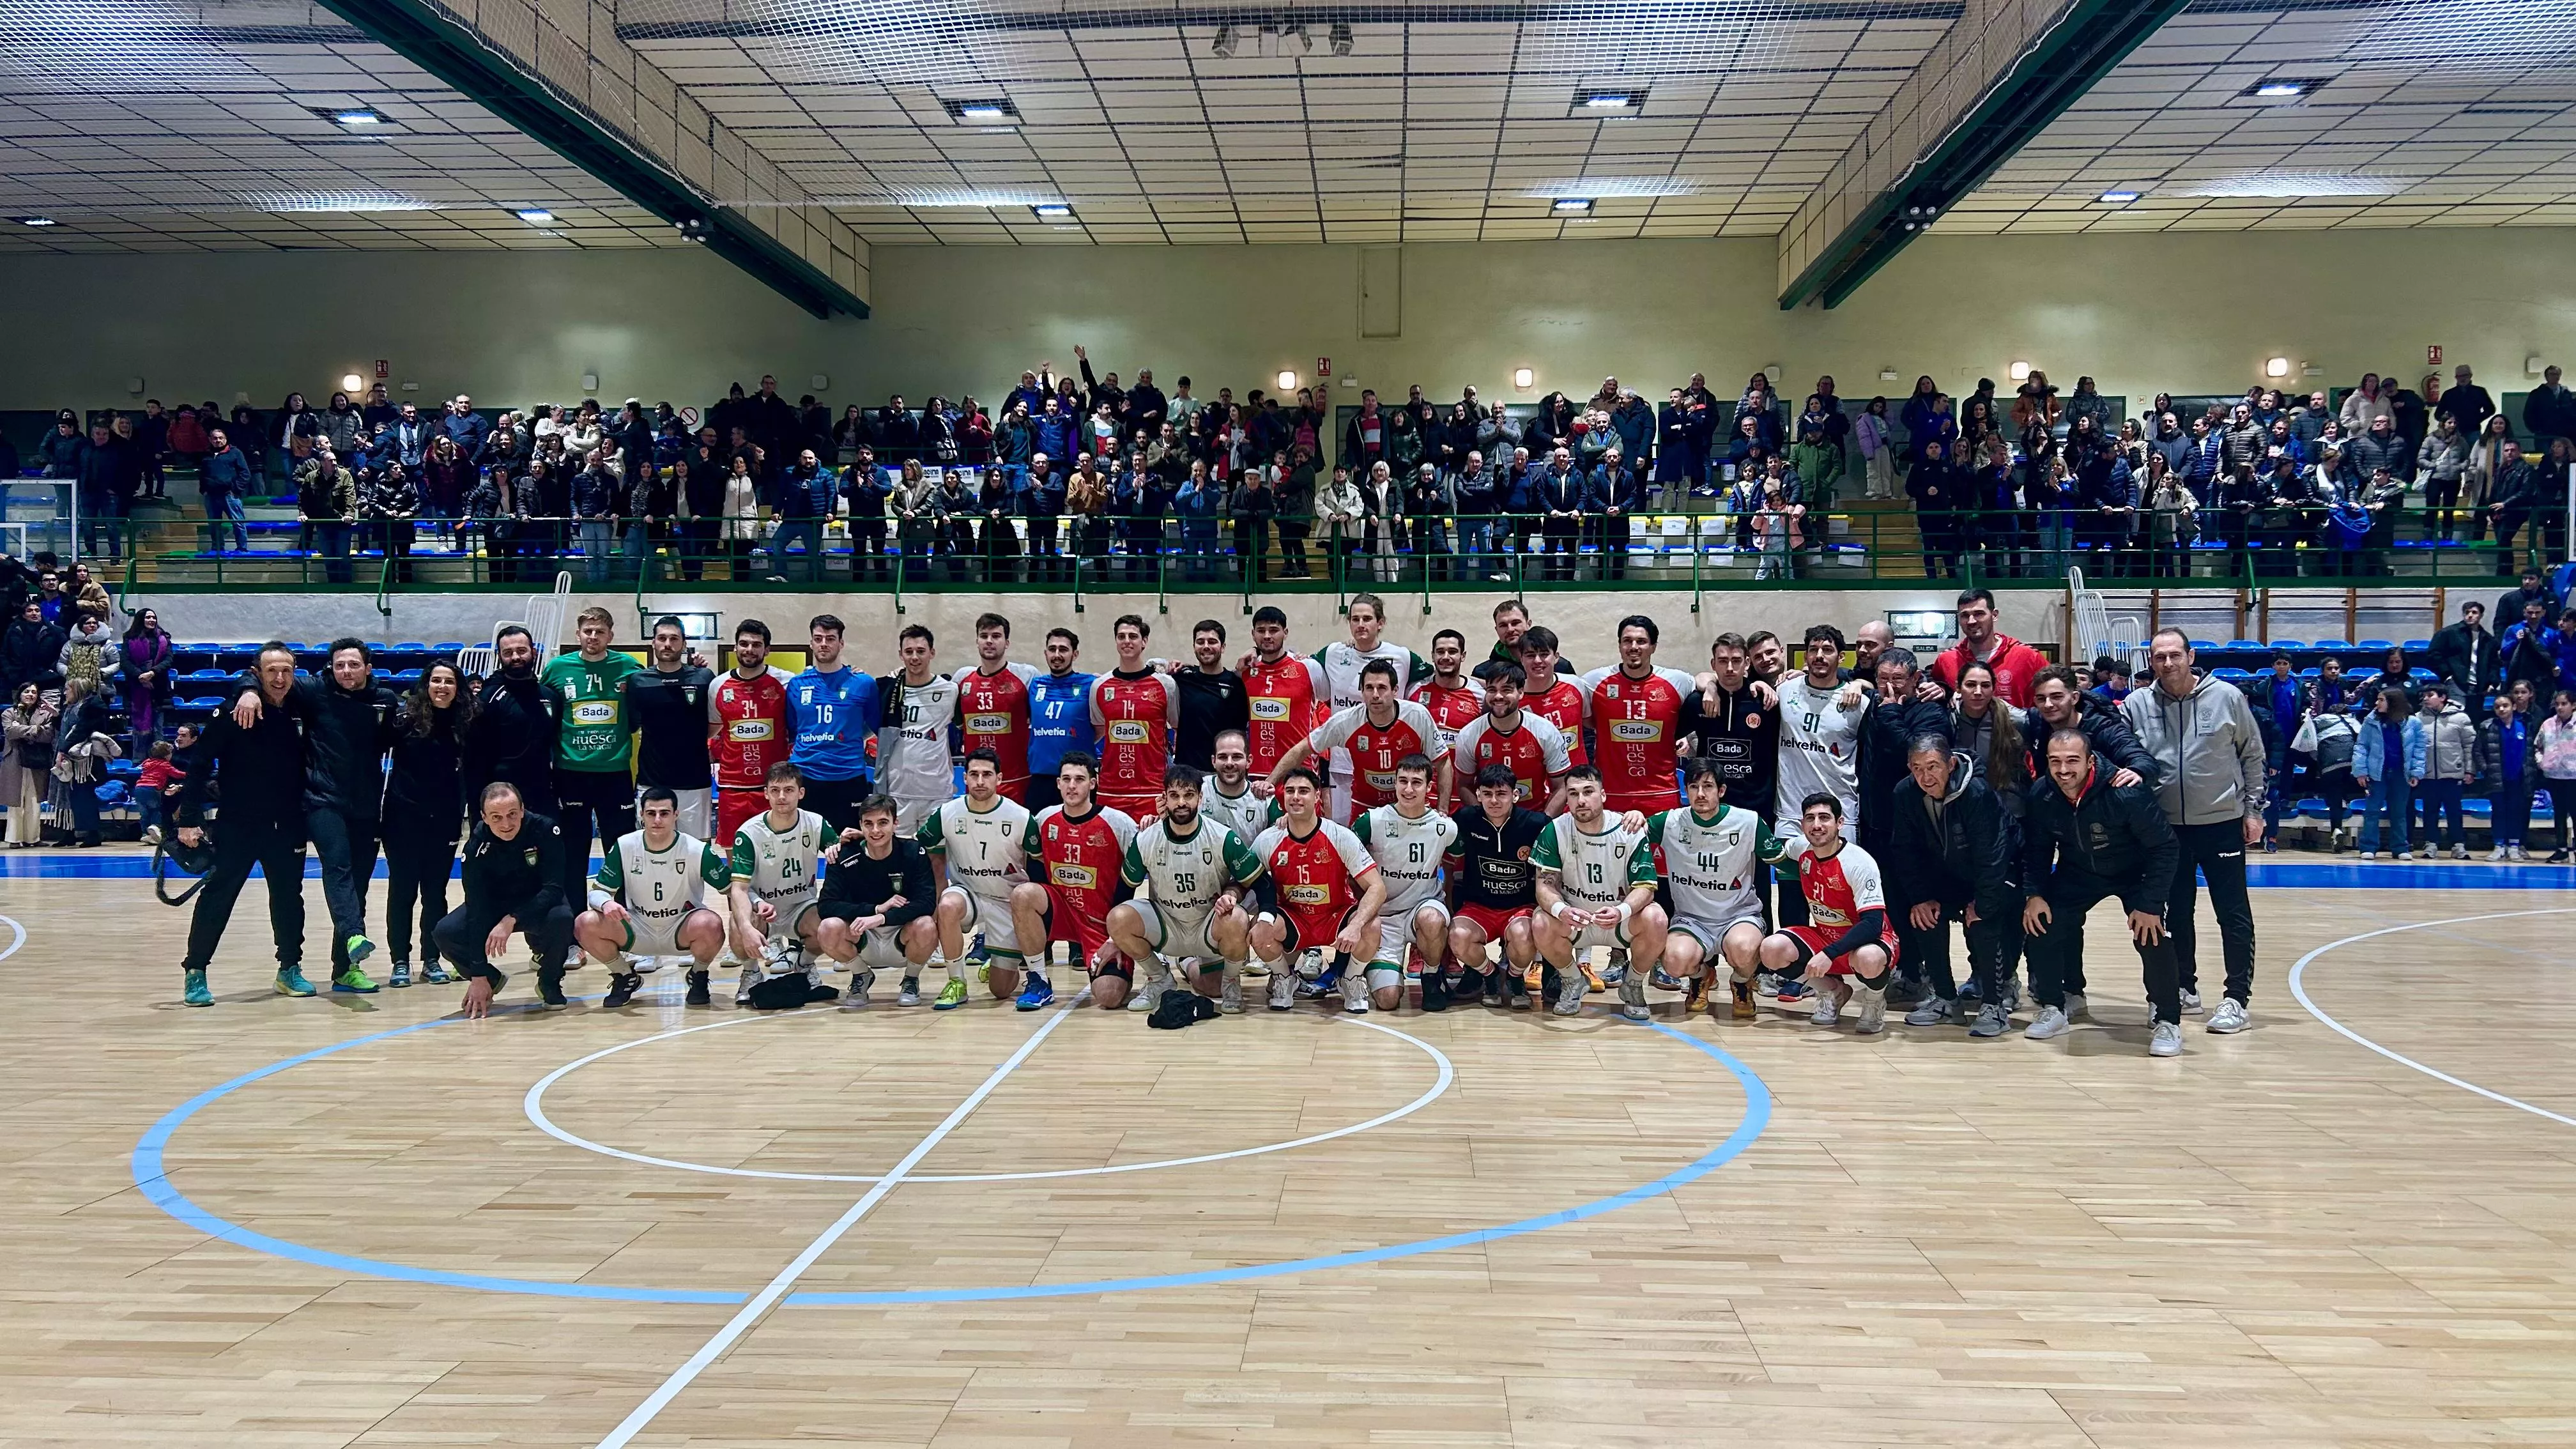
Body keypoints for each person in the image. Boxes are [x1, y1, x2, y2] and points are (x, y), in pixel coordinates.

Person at [226, 638, 400, 990]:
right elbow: (267, 677)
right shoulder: (314, 691)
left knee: (360, 884)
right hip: (322, 800)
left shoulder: (385, 700)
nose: (346, 671)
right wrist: (247, 691)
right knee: (338, 866)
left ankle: (345, 970)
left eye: (353, 665)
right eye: (340, 665)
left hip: (366, 806)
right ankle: (354, 934)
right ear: (331, 668)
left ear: (368, 668)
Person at [2120, 631, 2263, 1031]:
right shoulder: (2137, 704)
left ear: (2191, 656)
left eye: (2175, 655)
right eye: (2159, 657)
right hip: (2165, 830)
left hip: (2221, 823)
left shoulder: (2227, 697)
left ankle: (2236, 998)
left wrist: (2253, 810)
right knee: (2176, 913)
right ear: (2151, 661)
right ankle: (2184, 988)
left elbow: (2253, 755)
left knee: (2232, 912)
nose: (2168, 663)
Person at [2020, 730, 2185, 1057]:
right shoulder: (2042, 794)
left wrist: (2150, 903)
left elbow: (2165, 848)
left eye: (2072, 761)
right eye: (2055, 762)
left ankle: (2166, 1018)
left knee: (2151, 935)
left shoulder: (2125, 792)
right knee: (2041, 923)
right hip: (2079, 871)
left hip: (2134, 873)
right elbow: (2037, 850)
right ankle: (2055, 1006)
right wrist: (2034, 894)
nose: (2063, 770)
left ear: (2090, 761)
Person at [1884, 737, 2020, 1036]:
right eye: (1917, 768)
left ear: (1951, 764)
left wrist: (1983, 903)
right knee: (1924, 916)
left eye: (1933, 767)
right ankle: (1946, 999)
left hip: (1999, 872)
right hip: (1949, 876)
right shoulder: (1905, 793)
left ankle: (1994, 1005)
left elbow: (1993, 854)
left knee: (1983, 922)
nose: (1925, 777)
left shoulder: (1977, 792)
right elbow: (1905, 850)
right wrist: (1921, 897)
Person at [1107, 763, 1264, 1014]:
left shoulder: (1221, 837)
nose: (1181, 803)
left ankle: (1228, 981)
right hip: (1167, 925)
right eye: (1175, 796)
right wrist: (1112, 939)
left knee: (1235, 922)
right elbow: (1125, 889)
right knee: (1118, 917)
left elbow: (1260, 882)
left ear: (1200, 798)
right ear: (1165, 799)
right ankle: (1159, 979)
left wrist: (1263, 917)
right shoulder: (1147, 838)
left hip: (1208, 926)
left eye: (1189, 795)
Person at [1643, 760, 1777, 1020]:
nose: (1701, 794)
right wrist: (1635, 817)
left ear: (1721, 791)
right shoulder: (1669, 822)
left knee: (1744, 949)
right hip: (1691, 920)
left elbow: (1781, 862)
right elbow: (1625, 840)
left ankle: (1741, 982)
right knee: (1673, 962)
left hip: (1739, 917)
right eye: (1694, 787)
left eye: (1708, 786)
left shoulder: (1748, 822)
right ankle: (1702, 976)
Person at [576, 786, 732, 1008]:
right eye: (651, 813)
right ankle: (624, 976)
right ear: (641, 815)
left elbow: (731, 889)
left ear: (676, 815)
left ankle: (698, 975)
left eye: (664, 813)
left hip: (681, 928)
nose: (657, 820)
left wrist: (752, 913)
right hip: (638, 927)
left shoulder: (696, 850)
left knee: (711, 924)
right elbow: (597, 892)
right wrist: (606, 902)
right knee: (585, 923)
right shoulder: (625, 846)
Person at [1757, 792, 1897, 1032]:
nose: (1817, 825)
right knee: (1771, 949)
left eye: (1824, 818)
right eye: (1810, 819)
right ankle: (1832, 992)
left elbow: (1873, 924)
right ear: (1802, 824)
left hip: (1869, 940)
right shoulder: (1801, 847)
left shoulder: (1859, 862)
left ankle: (1874, 1002)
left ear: (1840, 823)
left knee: (1869, 959)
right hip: (1825, 935)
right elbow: (1775, 850)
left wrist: (1828, 954)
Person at [1249, 765, 1384, 1011]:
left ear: (1317, 797)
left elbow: (1377, 888)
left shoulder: (1340, 836)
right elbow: (1244, 879)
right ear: (1283, 796)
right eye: (1290, 791)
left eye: (1303, 791)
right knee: (1259, 928)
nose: (1296, 797)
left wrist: (1355, 926)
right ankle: (1284, 977)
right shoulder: (1269, 839)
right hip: (1294, 918)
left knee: (1371, 925)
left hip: (1335, 916)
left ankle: (1351, 979)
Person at [437, 783, 576, 1018]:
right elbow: (476, 908)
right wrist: (478, 974)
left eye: (512, 814)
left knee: (562, 918)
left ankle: (549, 981)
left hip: (537, 902)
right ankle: (491, 979)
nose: (506, 824)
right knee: (445, 932)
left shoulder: (545, 830)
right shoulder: (476, 846)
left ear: (522, 810)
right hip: (493, 905)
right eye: (496, 817)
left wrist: (512, 919)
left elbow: (553, 889)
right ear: (484, 817)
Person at [1011, 753, 1140, 1003]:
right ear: (1058, 783)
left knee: (1109, 996)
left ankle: (1123, 970)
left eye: (1080, 779)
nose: (1072, 786)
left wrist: (1117, 936)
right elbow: (1032, 865)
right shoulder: (1044, 819)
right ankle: (1038, 980)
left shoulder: (1118, 823)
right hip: (1061, 912)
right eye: (1067, 779)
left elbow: (1135, 878)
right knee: (1023, 894)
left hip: (1101, 924)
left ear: (1093, 783)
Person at [918, 749, 1036, 1010]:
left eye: (987, 775)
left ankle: (997, 958)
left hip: (1007, 901)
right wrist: (864, 840)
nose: (980, 781)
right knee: (948, 905)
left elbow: (1037, 866)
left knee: (1001, 991)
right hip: (968, 894)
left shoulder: (1020, 816)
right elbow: (917, 850)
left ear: (999, 779)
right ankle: (956, 982)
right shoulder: (947, 813)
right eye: (974, 774)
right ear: (965, 778)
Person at [544, 606, 644, 907]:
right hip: (571, 773)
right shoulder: (558, 668)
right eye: (587, 631)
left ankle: (624, 917)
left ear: (610, 635)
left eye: (600, 631)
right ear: (578, 634)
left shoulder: (629, 667)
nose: (593, 636)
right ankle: (575, 922)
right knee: (574, 850)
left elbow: (650, 696)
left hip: (614, 772)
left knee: (621, 848)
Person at [1268, 658, 1445, 824]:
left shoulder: (1417, 715)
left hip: (1411, 805)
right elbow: (1302, 749)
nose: (1375, 695)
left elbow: (1443, 762)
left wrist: (1442, 810)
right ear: (1362, 692)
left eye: (1382, 688)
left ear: (1395, 690)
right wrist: (1270, 782)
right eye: (1369, 688)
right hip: (1366, 808)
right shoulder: (1347, 721)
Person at [383, 660, 470, 988]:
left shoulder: (465, 722)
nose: (442, 687)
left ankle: (431, 959)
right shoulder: (405, 720)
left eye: (449, 681)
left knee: (435, 893)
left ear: (457, 688)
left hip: (444, 819)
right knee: (402, 891)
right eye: (436, 681)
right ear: (426, 685)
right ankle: (400, 961)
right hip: (402, 818)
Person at [1349, 754, 1460, 1013]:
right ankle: (1377, 970)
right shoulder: (1373, 821)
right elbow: (1346, 860)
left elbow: (1456, 864)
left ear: (1429, 787)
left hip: (1423, 908)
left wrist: (1451, 907)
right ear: (1395, 782)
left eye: (1416, 782)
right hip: (1385, 918)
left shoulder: (1445, 828)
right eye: (1403, 781)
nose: (1409, 789)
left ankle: (1431, 976)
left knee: (1432, 919)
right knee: (1388, 1001)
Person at [724, 763, 835, 1008]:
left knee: (828, 924)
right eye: (775, 790)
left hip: (801, 908)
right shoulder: (749, 833)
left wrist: (845, 844)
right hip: (763, 909)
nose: (781, 797)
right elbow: (739, 889)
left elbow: (840, 855)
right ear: (766, 793)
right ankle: (751, 973)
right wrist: (750, 920)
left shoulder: (816, 824)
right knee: (738, 923)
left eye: (789, 790)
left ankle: (805, 965)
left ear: (801, 793)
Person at [813, 794, 940, 1008]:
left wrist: (882, 918)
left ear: (895, 823)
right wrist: (875, 909)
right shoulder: (845, 855)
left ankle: (911, 979)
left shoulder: (913, 852)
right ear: (861, 825)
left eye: (883, 823)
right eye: (868, 824)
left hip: (903, 936)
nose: (875, 831)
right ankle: (861, 975)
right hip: (861, 937)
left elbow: (926, 903)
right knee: (828, 927)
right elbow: (826, 906)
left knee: (927, 924)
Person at [1581, 615, 1705, 816]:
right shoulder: (1595, 681)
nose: (1634, 647)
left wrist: (1712, 688)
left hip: (1661, 793)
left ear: (1653, 647)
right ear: (1619, 645)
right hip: (1611, 794)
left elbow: (1707, 678)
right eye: (1627, 641)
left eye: (1641, 641)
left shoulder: (1676, 681)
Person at [615, 617, 717, 841]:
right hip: (651, 781)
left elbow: (715, 722)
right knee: (652, 847)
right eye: (662, 638)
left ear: (684, 643)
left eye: (674, 639)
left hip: (695, 782)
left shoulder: (703, 677)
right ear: (653, 643)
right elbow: (632, 723)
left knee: (697, 849)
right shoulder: (638, 681)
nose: (668, 644)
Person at [788, 613, 880, 833]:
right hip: (806, 776)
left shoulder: (863, 683)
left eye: (830, 639)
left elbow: (875, 725)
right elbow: (794, 729)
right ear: (811, 643)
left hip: (849, 776)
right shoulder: (796, 684)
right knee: (805, 843)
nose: (824, 644)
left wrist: (847, 736)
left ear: (841, 643)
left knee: (850, 844)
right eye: (818, 638)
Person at [710, 618, 795, 848]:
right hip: (733, 786)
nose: (749, 649)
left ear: (767, 650)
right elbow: (711, 729)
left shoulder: (787, 682)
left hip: (774, 785)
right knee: (734, 852)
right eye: (744, 644)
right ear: (735, 647)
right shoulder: (718, 686)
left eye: (757, 645)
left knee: (777, 852)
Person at [463, 625, 562, 818]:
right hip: (501, 799)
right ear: (500, 656)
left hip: (542, 796)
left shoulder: (550, 697)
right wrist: (478, 810)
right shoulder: (487, 699)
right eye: (508, 653)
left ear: (534, 652)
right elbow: (474, 759)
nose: (516, 657)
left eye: (522, 651)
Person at [1088, 615, 1180, 822]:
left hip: (1152, 788)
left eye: (1133, 636)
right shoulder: (1100, 686)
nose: (1127, 641)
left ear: (1144, 641)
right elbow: (1098, 730)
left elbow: (1176, 727)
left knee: (1151, 843)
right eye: (1121, 636)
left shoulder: (1166, 685)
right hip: (1111, 789)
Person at [877, 624, 960, 835]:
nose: (915, 657)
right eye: (909, 651)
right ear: (901, 655)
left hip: (937, 793)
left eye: (921, 651)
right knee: (899, 853)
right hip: (897, 792)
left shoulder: (950, 691)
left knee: (937, 853)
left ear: (932, 653)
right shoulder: (887, 689)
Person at [953, 613, 1039, 802]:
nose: (989, 641)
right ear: (977, 641)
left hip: (1017, 781)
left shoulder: (1027, 676)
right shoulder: (961, 679)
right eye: (984, 636)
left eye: (996, 636)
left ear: (1007, 642)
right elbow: (958, 724)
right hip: (977, 782)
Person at [1239, 606, 1327, 780]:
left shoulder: (1308, 667)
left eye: (1274, 630)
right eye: (1261, 631)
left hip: (1299, 771)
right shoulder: (1246, 671)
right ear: (1253, 634)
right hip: (1256, 771)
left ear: (1285, 633)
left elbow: (1331, 702)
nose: (1267, 636)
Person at [1927, 588, 2049, 708]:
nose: (1971, 621)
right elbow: (1937, 694)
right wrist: (1943, 690)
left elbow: (2054, 694)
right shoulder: (1946, 660)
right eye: (1965, 615)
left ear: (1994, 615)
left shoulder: (2028, 657)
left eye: (1979, 614)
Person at [1026, 627, 1096, 813]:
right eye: (1052, 649)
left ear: (1075, 654)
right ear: (1046, 653)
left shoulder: (1090, 684)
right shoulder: (1035, 685)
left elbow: (1101, 726)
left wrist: (1079, 738)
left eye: (1063, 650)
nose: (1057, 655)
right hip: (1041, 778)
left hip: (1078, 777)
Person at [2351, 681, 2423, 861]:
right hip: (2377, 773)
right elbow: (2361, 746)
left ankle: (2400, 848)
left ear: (2393, 702)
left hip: (2401, 773)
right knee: (2372, 811)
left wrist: (2416, 772)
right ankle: (2368, 847)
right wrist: (2360, 771)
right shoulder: (2371, 720)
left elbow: (2419, 749)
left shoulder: (2413, 723)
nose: (2377, 703)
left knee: (2399, 813)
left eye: (2381, 700)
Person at [1171, 619, 1248, 771]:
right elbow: (1151, 670)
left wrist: (1255, 650)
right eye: (1200, 642)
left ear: (1223, 647)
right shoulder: (1181, 678)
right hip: (1188, 772)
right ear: (1194, 647)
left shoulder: (1238, 684)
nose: (1206, 646)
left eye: (1212, 642)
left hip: (1226, 772)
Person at [2414, 680, 2477, 859]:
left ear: (2443, 697)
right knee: (2430, 811)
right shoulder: (2418, 719)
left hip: (2452, 773)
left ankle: (2458, 845)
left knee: (2454, 811)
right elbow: (2414, 747)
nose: (2426, 699)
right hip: (2428, 774)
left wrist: (2470, 770)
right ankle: (2431, 844)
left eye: (2430, 695)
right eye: (2424, 696)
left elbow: (2469, 746)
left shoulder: (2460, 718)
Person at [2477, 684, 2536, 861]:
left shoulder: (2525, 726)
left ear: (2514, 707)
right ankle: (2499, 846)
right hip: (2497, 778)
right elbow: (2478, 751)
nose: (2501, 709)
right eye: (2497, 707)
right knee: (2499, 812)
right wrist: (2486, 769)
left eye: (2505, 706)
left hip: (2519, 779)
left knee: (2516, 812)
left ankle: (2514, 847)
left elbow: (2532, 750)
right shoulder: (2487, 727)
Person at [3, 682, 56, 848]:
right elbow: (10, 733)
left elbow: (48, 735)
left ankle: (33, 838)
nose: (30, 695)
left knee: (34, 801)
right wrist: (35, 730)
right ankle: (14, 839)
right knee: (16, 801)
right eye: (27, 691)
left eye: (34, 692)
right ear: (20, 694)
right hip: (15, 760)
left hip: (37, 761)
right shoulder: (9, 713)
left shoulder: (45, 713)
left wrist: (22, 730)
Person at [2428, 601, 2498, 710]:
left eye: (2474, 612)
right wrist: (2447, 675)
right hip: (2456, 683)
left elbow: (2494, 663)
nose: (2470, 615)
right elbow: (2433, 654)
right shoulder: (2448, 633)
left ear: (2481, 615)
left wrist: (2493, 682)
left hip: (2479, 687)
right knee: (2456, 715)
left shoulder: (2488, 639)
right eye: (2467, 612)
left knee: (2474, 717)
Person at [2534, 690, 2576, 861]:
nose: (2560, 707)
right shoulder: (2548, 724)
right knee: (2559, 814)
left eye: (2564, 704)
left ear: (2573, 705)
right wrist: (2541, 762)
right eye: (2557, 704)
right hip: (2555, 776)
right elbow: (2538, 746)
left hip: (2574, 777)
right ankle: (2561, 849)